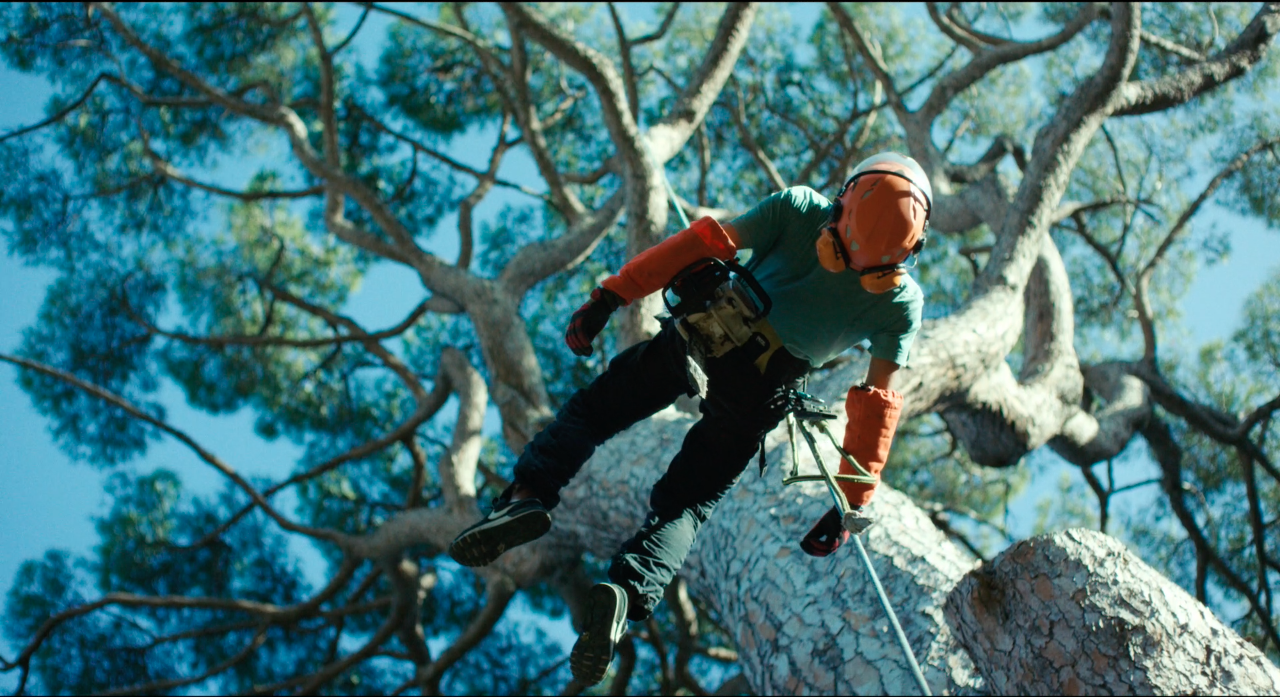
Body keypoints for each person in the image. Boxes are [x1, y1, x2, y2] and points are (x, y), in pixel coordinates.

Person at [448, 152, 930, 686]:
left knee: (592, 412)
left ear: (844, 199)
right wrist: (849, 504)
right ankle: (627, 594)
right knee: (687, 503)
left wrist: (609, 295)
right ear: (911, 249)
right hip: (759, 393)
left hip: (699, 336)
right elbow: (875, 406)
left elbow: (696, 244)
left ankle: (526, 497)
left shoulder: (800, 208)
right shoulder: (901, 303)